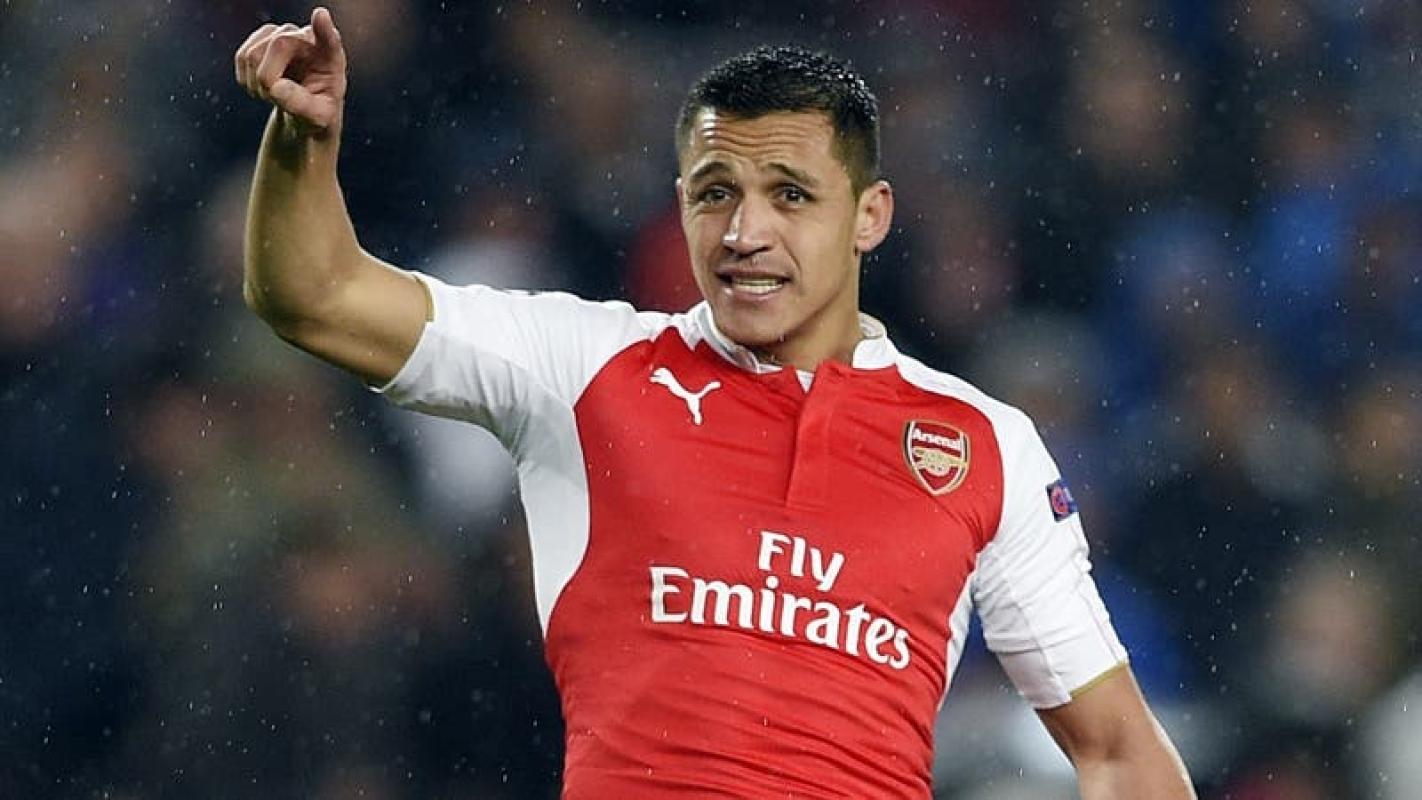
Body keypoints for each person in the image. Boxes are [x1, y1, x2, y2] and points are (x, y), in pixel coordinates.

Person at [234, 7, 1195, 798]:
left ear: (870, 215)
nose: (744, 231)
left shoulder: (984, 445)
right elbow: (314, 293)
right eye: (715, 192)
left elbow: (1120, 754)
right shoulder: (584, 365)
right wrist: (302, 141)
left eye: (790, 195)